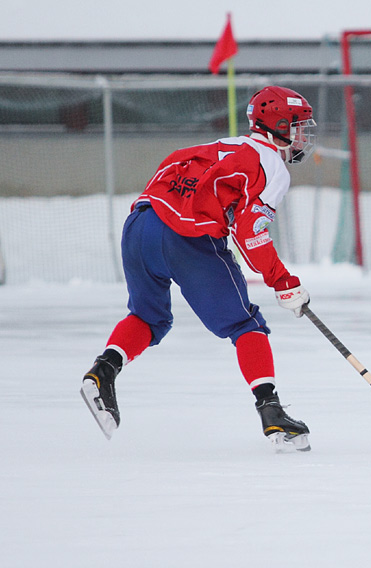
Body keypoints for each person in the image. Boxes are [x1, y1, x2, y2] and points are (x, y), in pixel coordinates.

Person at [80, 86, 316, 451]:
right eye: (298, 127)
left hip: (140, 224)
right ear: (278, 126)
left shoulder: (223, 145)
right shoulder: (270, 164)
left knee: (148, 317)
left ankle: (103, 370)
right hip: (187, 238)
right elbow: (250, 233)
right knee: (244, 324)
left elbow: (170, 174)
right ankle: (272, 414)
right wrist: (284, 282)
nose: (303, 136)